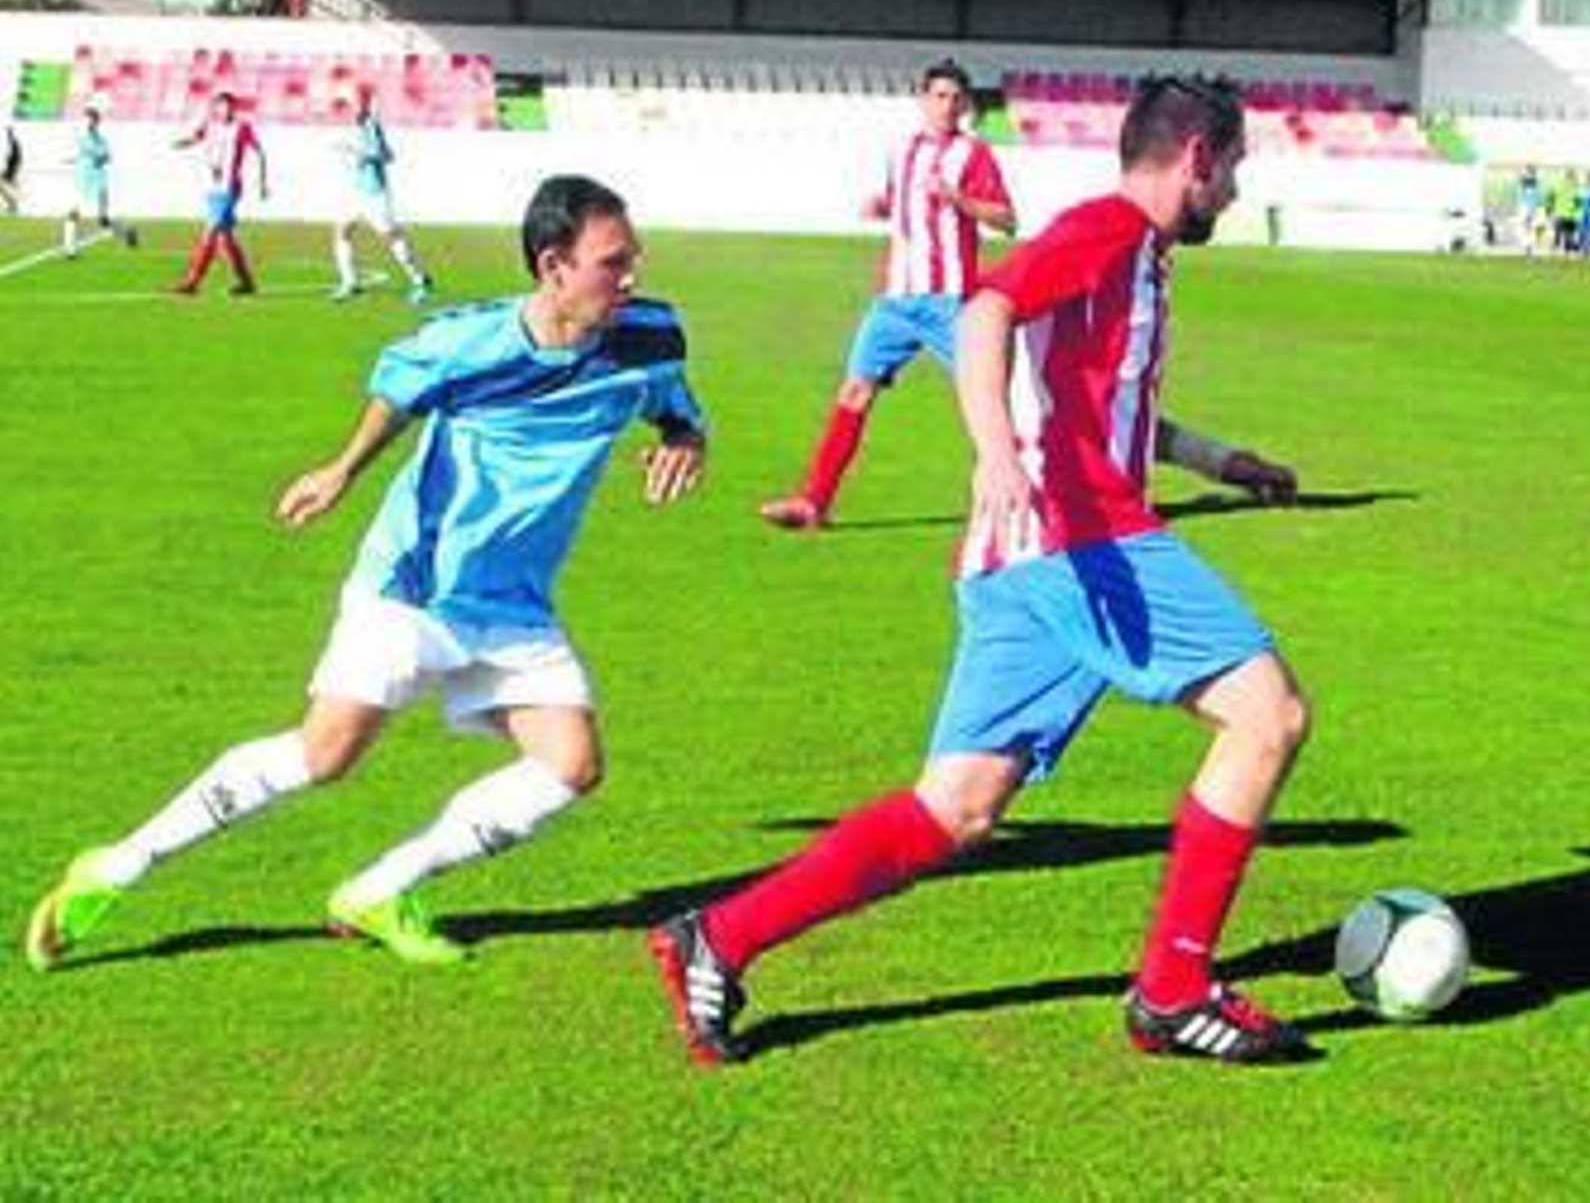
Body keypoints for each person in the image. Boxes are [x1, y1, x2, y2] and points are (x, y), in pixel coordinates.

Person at [650, 74, 1313, 1067]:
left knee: (953, 806)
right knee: (1269, 716)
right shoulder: (1108, 230)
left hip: (1020, 560)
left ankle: (721, 936)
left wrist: (1224, 462)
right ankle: (1174, 987)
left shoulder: (1135, 257)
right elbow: (983, 313)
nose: (1234, 189)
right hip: (1082, 544)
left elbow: (1099, 408)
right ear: (1198, 159)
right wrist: (995, 447)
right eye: (1235, 168)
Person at [26, 174, 708, 971]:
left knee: (571, 764)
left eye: (633, 259)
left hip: (515, 603)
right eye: (612, 262)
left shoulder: (651, 333)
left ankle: (384, 888)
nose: (631, 276)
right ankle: (113, 868)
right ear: (554, 265)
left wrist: (687, 440)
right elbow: (397, 391)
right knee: (325, 755)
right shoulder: (469, 342)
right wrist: (342, 469)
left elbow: (673, 404)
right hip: (416, 588)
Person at [759, 57, 1016, 531]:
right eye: (938, 96)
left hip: (950, 301)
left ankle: (1039, 499)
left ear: (966, 106)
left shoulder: (974, 155)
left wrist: (958, 199)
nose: (947, 105)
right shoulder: (901, 151)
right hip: (895, 301)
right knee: (854, 391)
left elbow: (1006, 218)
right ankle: (813, 502)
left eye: (956, 98)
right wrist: (882, 206)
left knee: (993, 400)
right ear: (922, 100)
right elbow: (902, 204)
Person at [331, 86, 435, 305]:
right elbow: (384, 154)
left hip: (374, 192)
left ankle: (420, 279)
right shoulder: (358, 126)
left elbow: (384, 155)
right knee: (342, 231)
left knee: (391, 236)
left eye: (354, 104)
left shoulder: (370, 126)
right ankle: (350, 282)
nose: (350, 109)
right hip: (356, 192)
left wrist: (355, 152)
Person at [170, 91, 268, 296]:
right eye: (221, 106)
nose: (225, 110)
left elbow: (259, 152)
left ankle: (192, 282)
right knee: (226, 239)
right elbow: (195, 138)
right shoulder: (210, 126)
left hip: (230, 188)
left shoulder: (242, 128)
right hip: (212, 189)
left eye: (229, 106)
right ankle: (246, 282)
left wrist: (263, 182)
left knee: (211, 232)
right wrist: (181, 144)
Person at [63, 103, 139, 258]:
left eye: (92, 118)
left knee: (103, 220)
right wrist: (75, 159)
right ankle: (70, 249)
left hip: (98, 180)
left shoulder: (99, 138)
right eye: (87, 118)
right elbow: (84, 154)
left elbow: (106, 156)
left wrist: (98, 158)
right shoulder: (82, 136)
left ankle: (127, 232)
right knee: (73, 212)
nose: (89, 121)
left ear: (96, 121)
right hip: (83, 180)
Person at [1, 124, 22, 214]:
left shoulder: (14, 158)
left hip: (11, 173)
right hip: (11, 173)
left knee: (6, 189)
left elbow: (14, 146)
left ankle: (13, 205)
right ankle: (12, 205)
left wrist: (10, 134)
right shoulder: (13, 160)